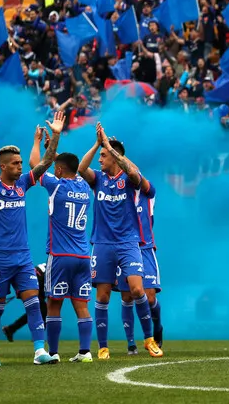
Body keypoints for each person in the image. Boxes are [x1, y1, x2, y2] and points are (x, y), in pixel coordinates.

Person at [0, 108, 61, 367]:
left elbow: (45, 163)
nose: (20, 167)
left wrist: (55, 137)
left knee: (34, 303)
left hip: (23, 256)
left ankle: (39, 351)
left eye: (19, 163)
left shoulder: (22, 184)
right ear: (2, 166)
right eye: (15, 164)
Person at [78, 122, 163, 359]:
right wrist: (97, 145)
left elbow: (134, 173)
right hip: (103, 243)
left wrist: (111, 148)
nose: (100, 159)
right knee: (103, 296)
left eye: (104, 156)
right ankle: (103, 347)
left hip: (128, 242)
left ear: (115, 158)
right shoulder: (98, 180)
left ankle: (149, 340)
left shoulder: (129, 181)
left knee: (137, 290)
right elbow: (81, 169)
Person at [28, 124, 95, 363]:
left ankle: (54, 352)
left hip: (59, 255)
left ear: (58, 169)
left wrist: (37, 143)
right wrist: (55, 153)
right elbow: (70, 166)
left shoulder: (56, 185)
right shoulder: (85, 187)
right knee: (81, 305)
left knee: (54, 303)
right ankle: (85, 353)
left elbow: (35, 167)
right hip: (84, 256)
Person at [116, 181, 164, 355]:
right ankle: (131, 344)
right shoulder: (118, 194)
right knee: (127, 295)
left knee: (149, 297)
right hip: (125, 248)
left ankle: (157, 329)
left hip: (145, 249)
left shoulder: (148, 193)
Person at [1, 264, 47, 342]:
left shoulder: (53, 265)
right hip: (30, 285)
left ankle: (11, 329)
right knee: (42, 310)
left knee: (36, 311)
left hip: (28, 283)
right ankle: (37, 336)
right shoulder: (58, 269)